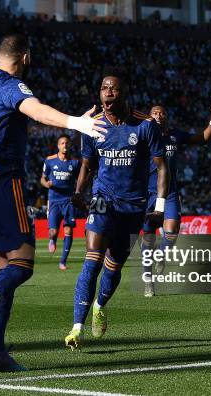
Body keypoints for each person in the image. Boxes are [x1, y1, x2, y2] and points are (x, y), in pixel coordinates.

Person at [0, 33, 106, 371]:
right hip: (4, 182)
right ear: (25, 57)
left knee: (7, 268)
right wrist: (78, 123)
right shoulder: (11, 86)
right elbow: (38, 111)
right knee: (22, 266)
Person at [65, 74, 168, 350]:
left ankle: (100, 305)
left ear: (124, 94)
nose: (107, 93)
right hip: (102, 198)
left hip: (133, 205)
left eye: (113, 89)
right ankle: (76, 328)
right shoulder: (93, 125)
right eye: (103, 88)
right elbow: (87, 165)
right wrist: (78, 191)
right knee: (92, 259)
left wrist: (158, 208)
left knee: (115, 263)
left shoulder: (145, 125)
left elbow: (162, 167)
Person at [141, 102, 211, 297]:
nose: (159, 115)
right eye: (155, 113)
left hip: (169, 192)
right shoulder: (142, 136)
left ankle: (161, 255)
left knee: (171, 232)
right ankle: (148, 282)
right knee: (148, 237)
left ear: (167, 117)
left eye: (162, 112)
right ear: (149, 117)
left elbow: (202, 138)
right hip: (147, 194)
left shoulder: (174, 135)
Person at [40, 134, 80, 270]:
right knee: (54, 231)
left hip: (68, 201)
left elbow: (80, 179)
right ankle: (53, 239)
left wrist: (78, 193)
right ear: (58, 146)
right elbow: (42, 179)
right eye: (62, 143)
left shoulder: (75, 163)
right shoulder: (50, 161)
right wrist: (47, 184)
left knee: (68, 230)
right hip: (54, 200)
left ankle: (63, 262)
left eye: (67, 143)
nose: (65, 146)